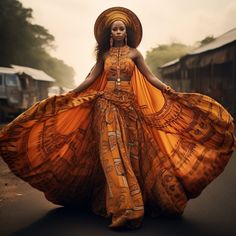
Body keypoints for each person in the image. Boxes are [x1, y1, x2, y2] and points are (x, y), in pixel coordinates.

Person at [0, 6, 235, 230]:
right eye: (115, 29)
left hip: (129, 110)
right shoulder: (104, 55)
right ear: (109, 33)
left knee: (128, 157)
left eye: (122, 28)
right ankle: (125, 209)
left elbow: (150, 78)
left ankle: (124, 200)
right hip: (105, 106)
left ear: (127, 32)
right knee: (111, 154)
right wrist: (71, 94)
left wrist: (170, 91)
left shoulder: (135, 54)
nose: (119, 32)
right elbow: (92, 79)